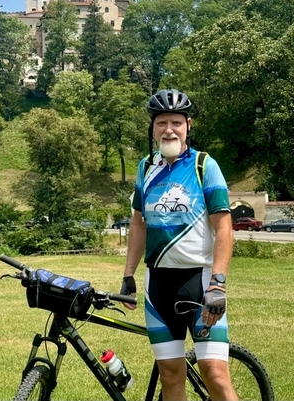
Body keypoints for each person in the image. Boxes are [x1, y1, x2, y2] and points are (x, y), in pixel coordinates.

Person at [121, 88, 237, 401]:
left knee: (214, 373)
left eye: (176, 122)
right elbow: (138, 223)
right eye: (161, 123)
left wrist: (219, 284)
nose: (169, 129)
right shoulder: (145, 167)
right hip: (157, 284)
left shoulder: (204, 165)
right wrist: (128, 275)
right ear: (153, 128)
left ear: (188, 126)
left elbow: (224, 228)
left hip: (199, 283)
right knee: (171, 375)